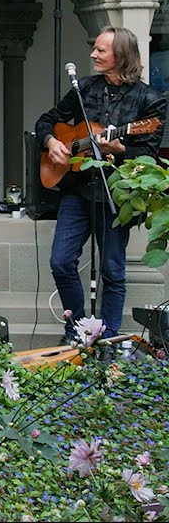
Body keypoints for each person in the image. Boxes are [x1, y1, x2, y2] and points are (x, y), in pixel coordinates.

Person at [34, 26, 165, 341]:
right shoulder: (84, 89)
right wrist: (52, 142)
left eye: (101, 50)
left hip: (116, 194)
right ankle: (78, 329)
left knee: (112, 269)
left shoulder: (150, 99)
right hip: (77, 189)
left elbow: (147, 155)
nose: (93, 54)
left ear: (121, 56)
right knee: (61, 261)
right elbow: (46, 121)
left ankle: (108, 338)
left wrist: (120, 150)